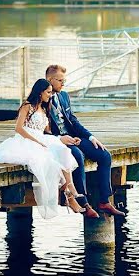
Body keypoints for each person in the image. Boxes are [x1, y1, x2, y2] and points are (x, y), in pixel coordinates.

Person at [0, 78, 98, 219]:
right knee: (51, 161)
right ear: (40, 92)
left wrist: (64, 139)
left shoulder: (45, 108)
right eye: (48, 92)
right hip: (27, 138)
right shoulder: (27, 106)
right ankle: (70, 195)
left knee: (64, 150)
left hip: (41, 137)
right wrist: (36, 141)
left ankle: (71, 187)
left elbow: (47, 132)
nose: (50, 95)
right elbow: (18, 128)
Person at [45, 64, 125, 217]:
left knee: (104, 155)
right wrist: (60, 139)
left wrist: (90, 137)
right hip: (57, 142)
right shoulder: (41, 98)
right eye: (60, 80)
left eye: (64, 80)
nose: (63, 84)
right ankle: (84, 203)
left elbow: (73, 121)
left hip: (74, 137)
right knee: (78, 157)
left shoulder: (64, 96)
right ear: (50, 79)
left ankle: (104, 201)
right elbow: (39, 131)